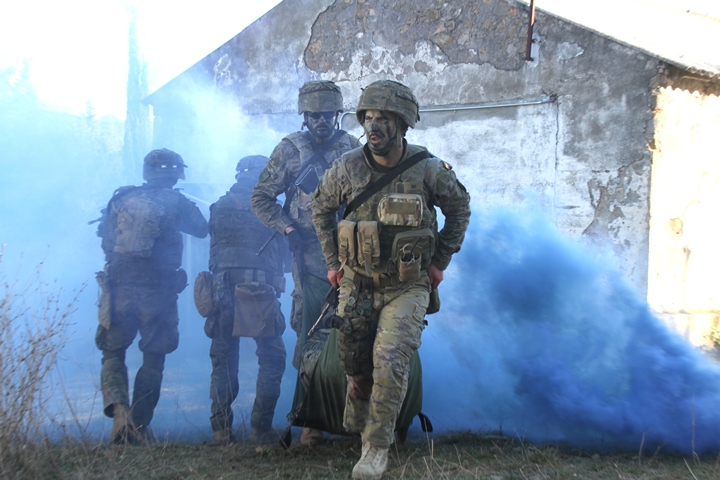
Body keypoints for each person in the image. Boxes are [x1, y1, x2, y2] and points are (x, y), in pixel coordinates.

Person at [311, 80, 471, 479]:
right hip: (358, 283)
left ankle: (375, 449)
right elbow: (320, 208)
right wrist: (332, 261)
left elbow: (459, 209)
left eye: (383, 118)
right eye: (368, 117)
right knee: (356, 365)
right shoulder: (347, 167)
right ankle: (361, 420)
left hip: (407, 286)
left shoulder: (428, 168)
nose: (373, 126)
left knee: (390, 359)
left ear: (402, 124)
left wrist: (440, 261)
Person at [251, 80, 359, 445]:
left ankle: (352, 416)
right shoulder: (289, 150)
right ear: (304, 116)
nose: (321, 121)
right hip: (309, 257)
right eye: (314, 115)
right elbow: (261, 197)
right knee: (310, 331)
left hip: (350, 253)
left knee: (353, 327)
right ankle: (312, 422)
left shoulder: (352, 148)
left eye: (327, 114)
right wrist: (286, 228)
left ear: (337, 114)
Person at [95, 148, 208, 444]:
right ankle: (139, 425)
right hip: (158, 292)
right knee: (154, 356)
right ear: (176, 173)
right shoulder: (177, 201)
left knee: (113, 352)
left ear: (147, 171)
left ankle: (120, 412)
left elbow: (106, 241)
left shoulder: (121, 198)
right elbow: (201, 229)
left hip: (118, 289)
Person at [200, 155, 287, 445]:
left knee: (223, 357)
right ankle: (261, 429)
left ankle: (221, 429)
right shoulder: (270, 209)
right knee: (273, 356)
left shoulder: (219, 206)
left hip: (221, 291)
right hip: (258, 290)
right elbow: (286, 254)